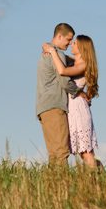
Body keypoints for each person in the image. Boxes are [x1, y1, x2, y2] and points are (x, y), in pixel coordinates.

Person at [42, 34, 100, 168]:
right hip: (72, 109)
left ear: (81, 47)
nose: (71, 44)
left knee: (86, 152)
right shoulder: (75, 61)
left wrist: (52, 51)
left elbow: (62, 71)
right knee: (82, 152)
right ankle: (99, 171)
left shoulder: (83, 65)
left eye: (74, 43)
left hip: (79, 109)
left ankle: (95, 177)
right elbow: (61, 57)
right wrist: (47, 47)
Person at [35, 23, 85, 166]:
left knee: (54, 154)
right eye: (68, 40)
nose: (69, 43)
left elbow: (69, 61)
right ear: (59, 36)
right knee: (61, 151)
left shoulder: (50, 54)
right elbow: (64, 82)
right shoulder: (58, 55)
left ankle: (53, 180)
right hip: (55, 106)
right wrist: (80, 93)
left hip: (43, 107)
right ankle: (62, 180)